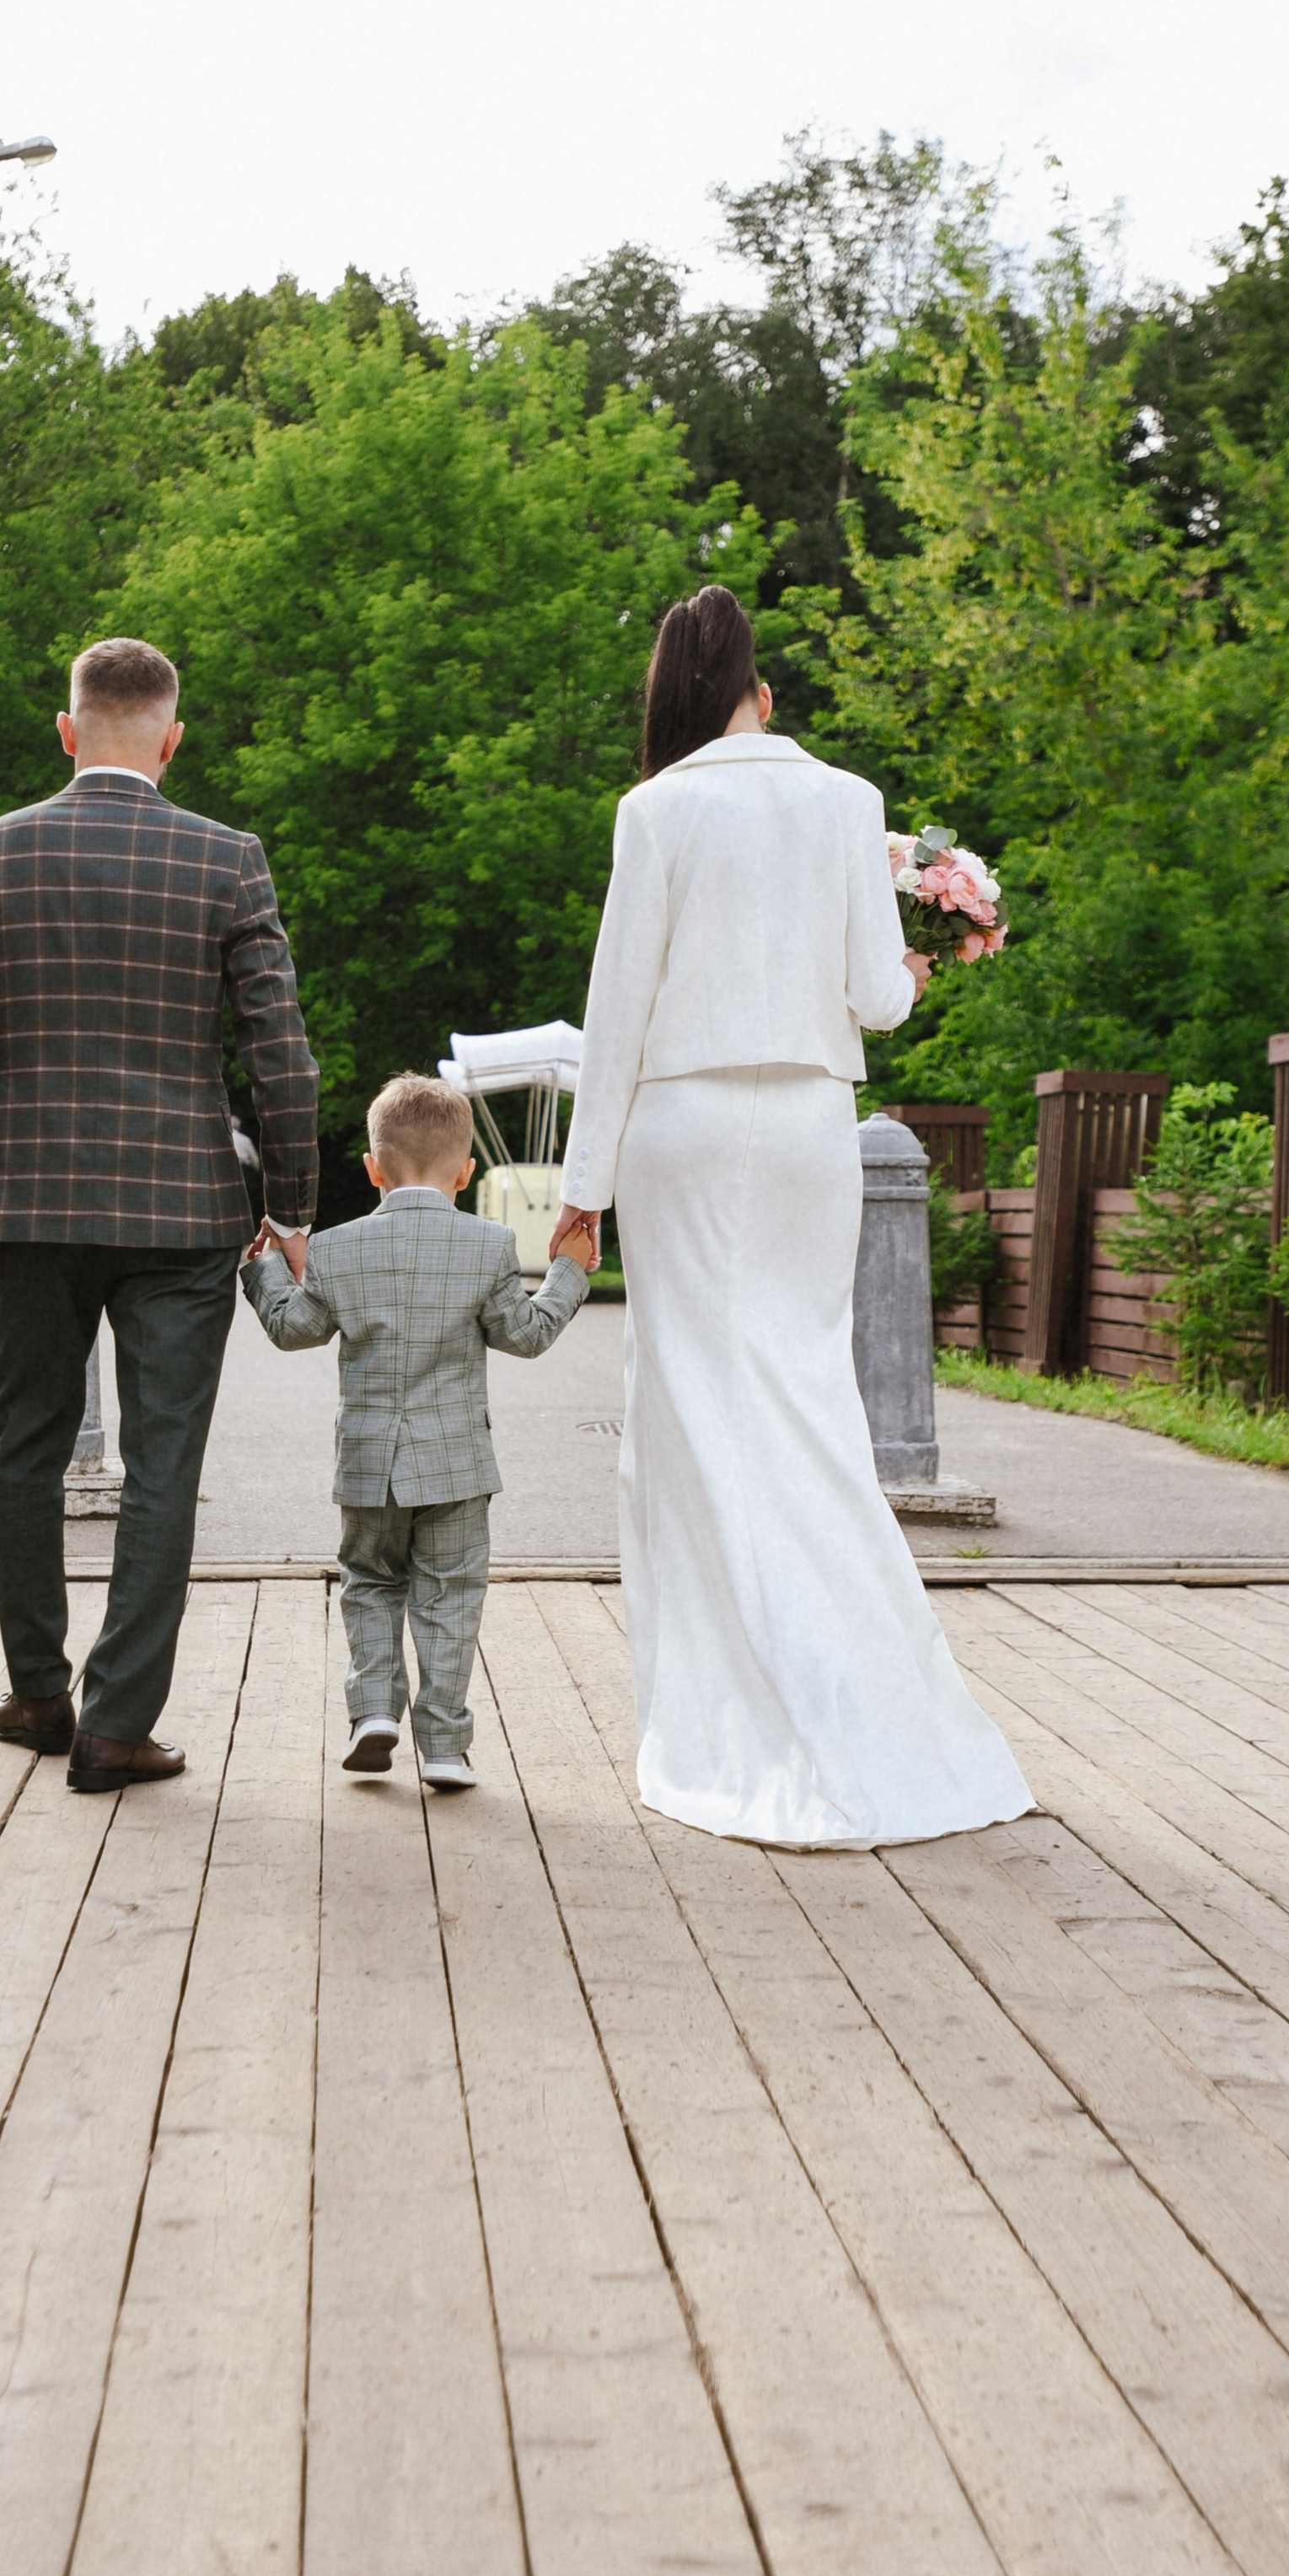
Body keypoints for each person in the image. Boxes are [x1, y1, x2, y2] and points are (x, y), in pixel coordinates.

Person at [550, 585, 1033, 1849]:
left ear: (680, 699)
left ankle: (729, 1705)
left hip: (683, 1131)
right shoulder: (849, 800)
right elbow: (876, 997)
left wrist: (580, 1188)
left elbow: (619, 1005)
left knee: (697, 1410)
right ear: (763, 691)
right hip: (813, 1123)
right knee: (807, 1400)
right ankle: (868, 1698)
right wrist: (918, 967)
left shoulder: (654, 808)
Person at [0, 636, 320, 1793]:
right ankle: (116, 1722)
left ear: (68, 727)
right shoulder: (225, 860)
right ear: (172, 738)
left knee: (29, 1450)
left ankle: (38, 1690)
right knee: (161, 1464)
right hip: (186, 1210)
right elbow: (280, 1054)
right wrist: (287, 1202)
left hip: (33, 1209)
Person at [241, 1070, 589, 1790]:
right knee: (451, 1595)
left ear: (372, 1167)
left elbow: (292, 1329)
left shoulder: (336, 1248)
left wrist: (266, 1269)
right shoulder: (490, 1245)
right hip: (458, 1467)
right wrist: (567, 1271)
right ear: (467, 1171)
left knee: (369, 1580)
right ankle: (445, 1745)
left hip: (369, 1466)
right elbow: (524, 1336)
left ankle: (373, 1709)